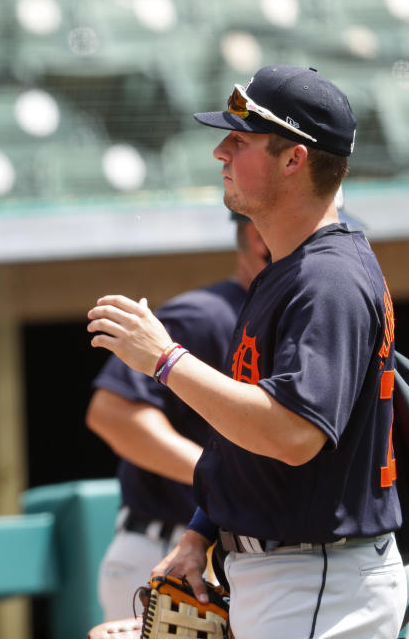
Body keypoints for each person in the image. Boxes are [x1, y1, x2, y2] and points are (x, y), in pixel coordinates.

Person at [86, 65, 405, 638]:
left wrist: (165, 359)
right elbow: (246, 438)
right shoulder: (289, 273)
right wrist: (201, 533)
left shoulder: (327, 280)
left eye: (241, 139)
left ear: (293, 159)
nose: (220, 151)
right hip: (286, 573)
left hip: (317, 579)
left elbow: (291, 434)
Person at [86, 212, 268, 621]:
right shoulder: (205, 313)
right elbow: (113, 414)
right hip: (161, 552)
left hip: (222, 559)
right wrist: (221, 477)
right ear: (257, 237)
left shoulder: (283, 317)